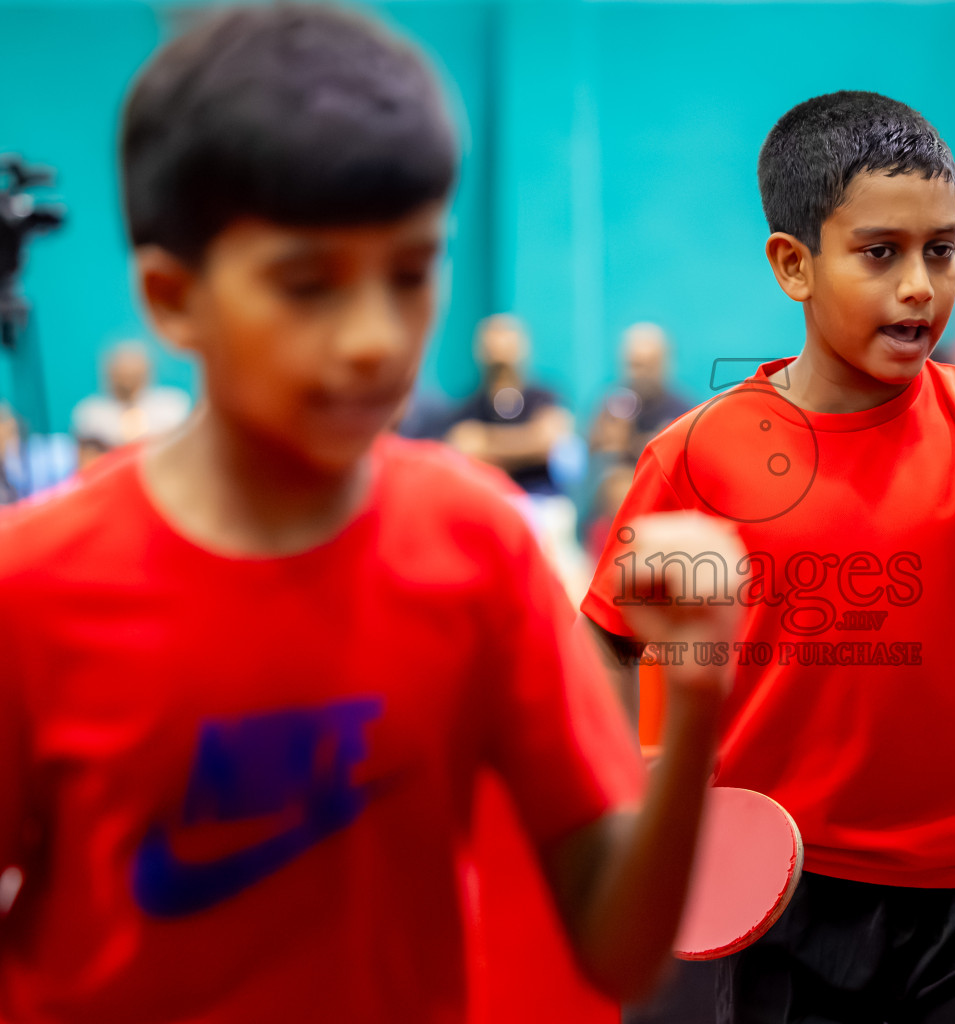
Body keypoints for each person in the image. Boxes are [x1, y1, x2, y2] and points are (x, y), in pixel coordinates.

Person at [0, 7, 741, 1020]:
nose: (373, 338)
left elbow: (617, 954)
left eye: (410, 272)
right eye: (308, 286)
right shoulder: (30, 590)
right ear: (173, 299)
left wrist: (697, 694)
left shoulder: (476, 544)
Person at [583, 91, 955, 1023]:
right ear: (794, 264)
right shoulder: (705, 455)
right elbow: (611, 647)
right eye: (882, 254)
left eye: (941, 250)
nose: (921, 286)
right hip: (786, 900)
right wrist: (639, 817)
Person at [445, 313, 573, 496]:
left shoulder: (544, 396)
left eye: (507, 355)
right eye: (494, 356)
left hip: (541, 499)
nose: (500, 362)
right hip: (490, 498)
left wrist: (486, 441)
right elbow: (461, 448)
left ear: (522, 350)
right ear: (480, 353)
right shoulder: (470, 407)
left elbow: (550, 442)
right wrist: (528, 442)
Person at [590, 322, 692, 463]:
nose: (640, 374)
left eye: (648, 365)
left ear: (663, 364)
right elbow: (593, 455)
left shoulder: (682, 412)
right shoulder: (611, 406)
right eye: (634, 365)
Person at [70, 340, 191, 448]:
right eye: (120, 375)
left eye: (134, 375)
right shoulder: (90, 414)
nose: (126, 383)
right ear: (108, 375)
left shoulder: (172, 407)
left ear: (147, 373)